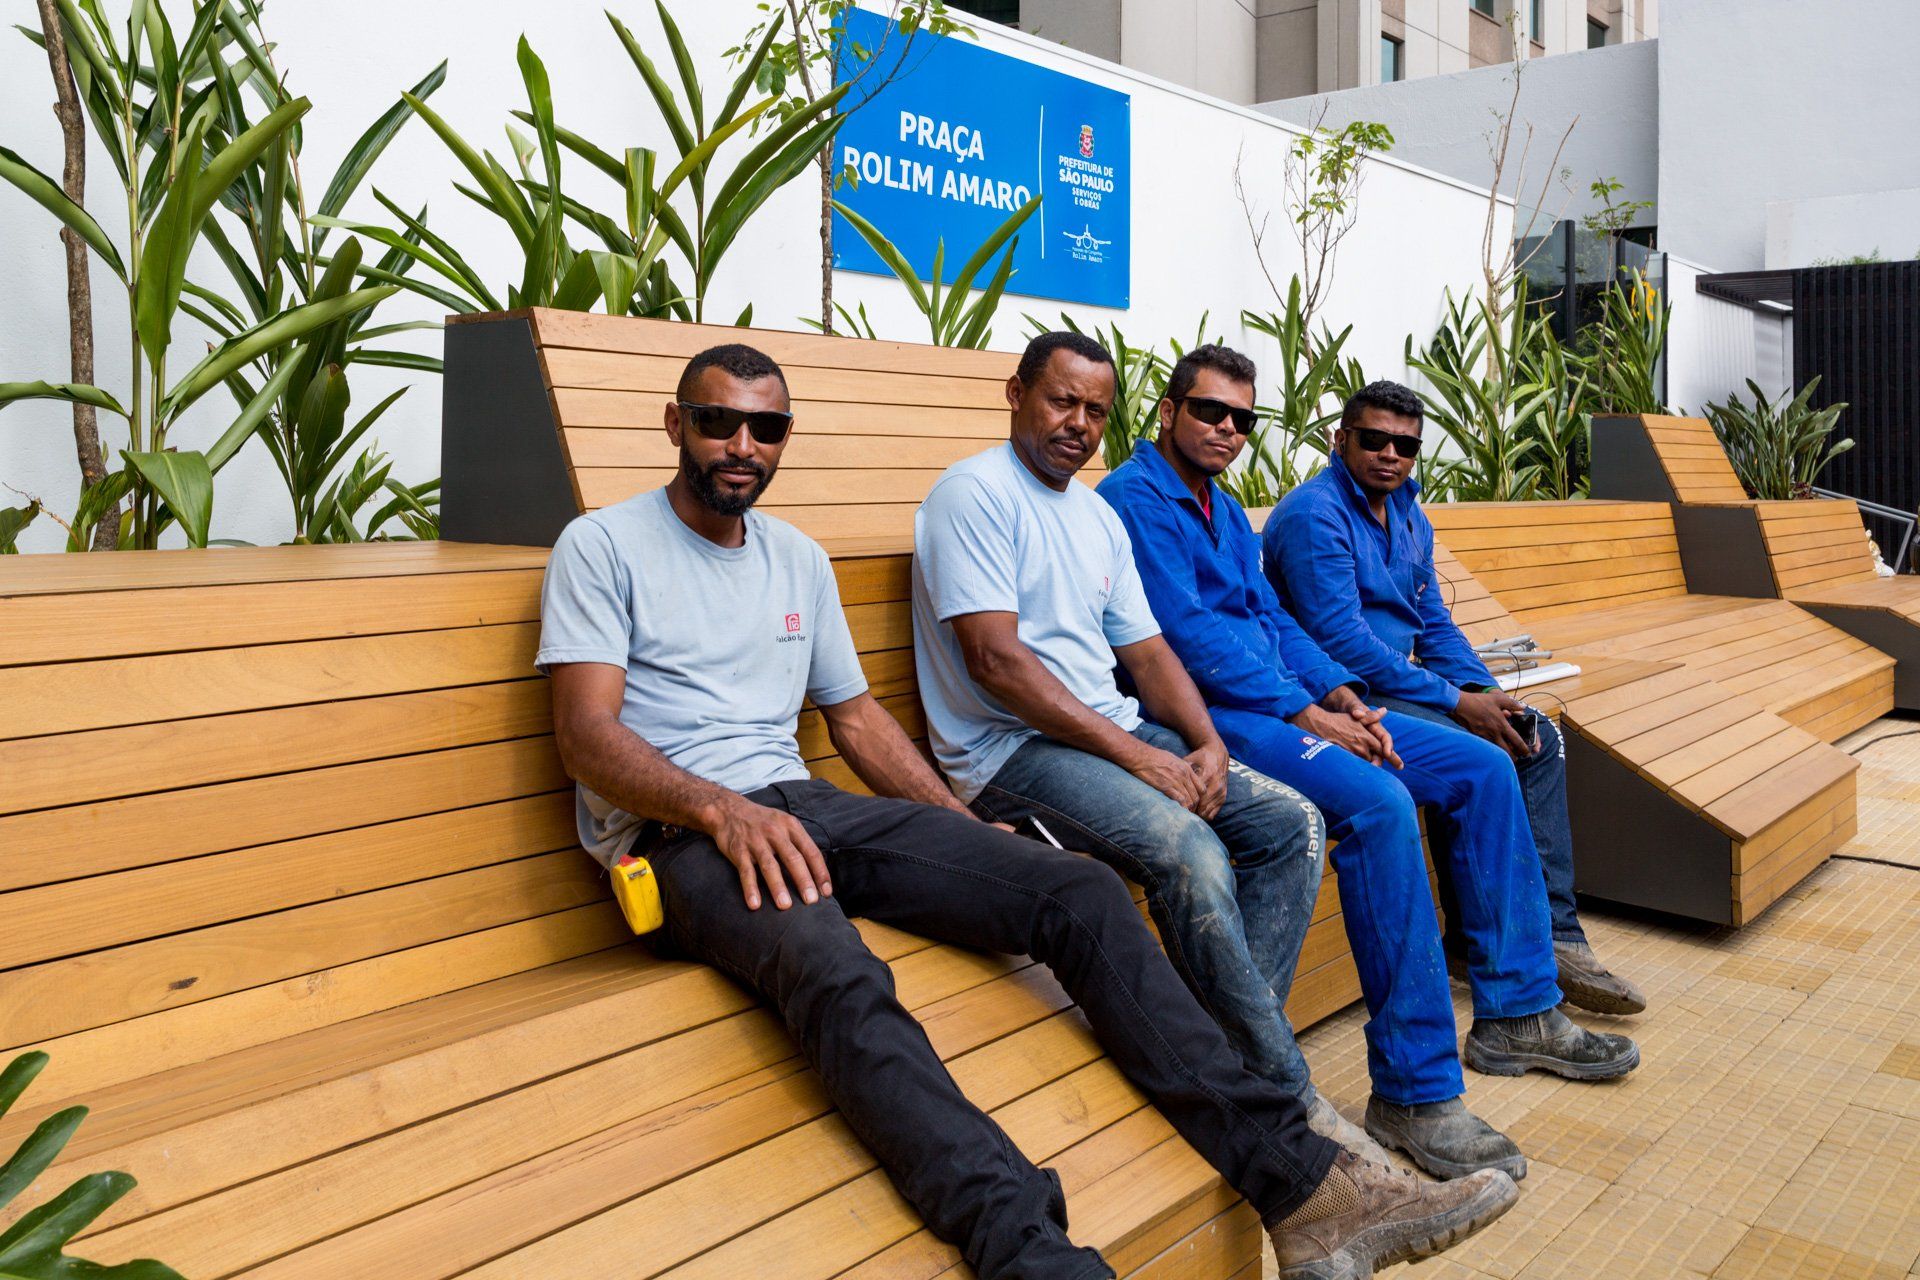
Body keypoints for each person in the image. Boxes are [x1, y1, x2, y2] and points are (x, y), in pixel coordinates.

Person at [538, 342, 1518, 1280]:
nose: (743, 446)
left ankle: (1306, 1188)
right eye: (719, 422)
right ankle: (1030, 1253)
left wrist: (958, 830)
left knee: (1079, 890)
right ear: (675, 423)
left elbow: (857, 720)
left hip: (803, 806)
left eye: (767, 428)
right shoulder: (604, 545)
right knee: (840, 971)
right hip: (680, 836)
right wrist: (720, 810)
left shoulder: (795, 556)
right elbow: (586, 734)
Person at [1098, 345, 1641, 1180]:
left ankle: (1518, 1012)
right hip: (1212, 714)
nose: (1228, 430)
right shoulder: (1136, 500)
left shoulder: (1225, 506)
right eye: (1210, 411)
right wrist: (1307, 708)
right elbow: (1185, 636)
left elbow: (1274, 619)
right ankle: (1415, 1092)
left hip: (1288, 697)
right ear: (1168, 412)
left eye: (1243, 418)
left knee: (1485, 770)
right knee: (1382, 805)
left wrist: (1341, 695)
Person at [910, 330, 1389, 1165]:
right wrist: (1142, 757)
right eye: (1062, 401)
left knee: (1291, 825)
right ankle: (1289, 1105)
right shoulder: (973, 494)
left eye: (1096, 410)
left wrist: (1203, 743)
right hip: (1008, 753)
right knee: (1189, 849)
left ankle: (1226, 1073)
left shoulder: (1095, 515)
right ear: (1016, 394)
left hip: (1110, 730)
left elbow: (1150, 653)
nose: (1079, 424)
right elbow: (996, 664)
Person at [1265, 379, 1647, 1016]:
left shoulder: (1409, 513)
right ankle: (1502, 952)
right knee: (1479, 752)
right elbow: (1342, 641)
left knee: (1533, 735)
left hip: (1405, 684)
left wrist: (1482, 691)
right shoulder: (1315, 515)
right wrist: (1457, 704)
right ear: (1341, 439)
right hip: (1342, 695)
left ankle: (1551, 935)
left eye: (1406, 446)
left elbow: (1433, 623)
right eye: (1374, 439)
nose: (1390, 455)